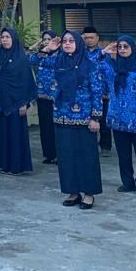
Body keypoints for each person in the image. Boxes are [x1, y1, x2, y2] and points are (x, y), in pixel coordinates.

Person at [39, 31, 103, 209]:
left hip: (84, 118)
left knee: (87, 157)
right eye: (64, 41)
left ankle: (88, 193)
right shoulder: (58, 61)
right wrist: (48, 49)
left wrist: (96, 117)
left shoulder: (90, 64)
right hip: (62, 116)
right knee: (66, 157)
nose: (67, 43)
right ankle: (73, 191)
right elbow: (35, 61)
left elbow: (97, 92)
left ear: (79, 44)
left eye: (71, 41)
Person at [0, 27, 37, 175]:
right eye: (3, 37)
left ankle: (17, 166)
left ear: (14, 39)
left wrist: (24, 103)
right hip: (0, 102)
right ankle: (4, 165)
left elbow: (26, 82)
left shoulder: (21, 59)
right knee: (3, 134)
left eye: (8, 37)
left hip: (16, 103)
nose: (5, 39)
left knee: (15, 135)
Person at [101, 36, 136, 196]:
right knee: (123, 155)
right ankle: (128, 183)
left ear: (132, 48)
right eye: (119, 47)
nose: (122, 49)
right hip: (117, 119)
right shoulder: (111, 67)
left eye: (125, 46)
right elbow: (93, 65)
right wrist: (104, 52)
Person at [28, 30, 58, 164]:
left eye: (49, 39)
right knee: (45, 127)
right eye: (44, 39)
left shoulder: (60, 55)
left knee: (55, 127)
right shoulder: (39, 55)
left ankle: (58, 154)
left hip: (55, 97)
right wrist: (35, 46)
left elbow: (51, 63)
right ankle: (48, 154)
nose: (46, 41)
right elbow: (27, 59)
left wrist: (46, 51)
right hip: (41, 96)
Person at [83, 25, 112, 156]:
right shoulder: (81, 53)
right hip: (86, 93)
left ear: (97, 38)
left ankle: (105, 146)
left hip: (103, 93)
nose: (89, 40)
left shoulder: (105, 53)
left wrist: (108, 90)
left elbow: (109, 72)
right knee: (88, 119)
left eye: (91, 37)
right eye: (86, 37)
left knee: (104, 121)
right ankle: (89, 145)